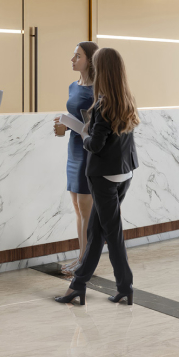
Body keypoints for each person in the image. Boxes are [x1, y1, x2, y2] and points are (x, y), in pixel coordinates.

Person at [56, 47, 139, 307]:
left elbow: (95, 145)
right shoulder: (126, 98)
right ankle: (77, 287)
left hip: (104, 176)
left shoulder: (103, 103)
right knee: (96, 231)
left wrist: (83, 133)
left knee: (111, 236)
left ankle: (125, 287)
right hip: (124, 173)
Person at [51, 41, 99, 276]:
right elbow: (75, 120)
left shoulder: (98, 91)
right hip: (74, 150)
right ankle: (81, 257)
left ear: (89, 60)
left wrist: (72, 126)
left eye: (77, 56)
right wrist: (64, 127)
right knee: (77, 208)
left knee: (86, 210)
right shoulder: (73, 86)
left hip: (90, 151)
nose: (72, 60)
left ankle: (86, 261)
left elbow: (96, 126)